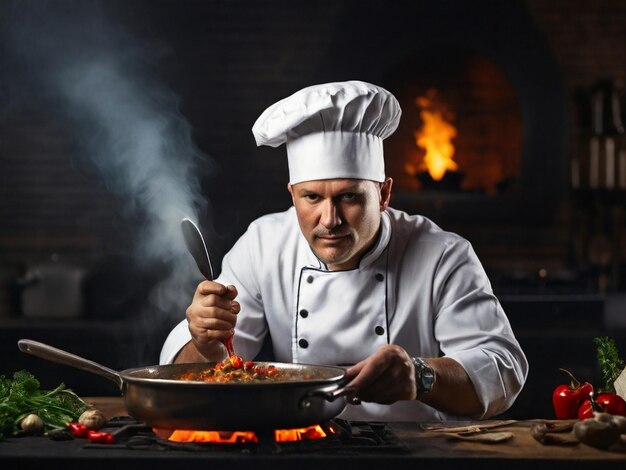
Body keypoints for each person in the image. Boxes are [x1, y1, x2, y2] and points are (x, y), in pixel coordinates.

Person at [160, 80, 528, 421]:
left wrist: (421, 375)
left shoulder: (443, 256)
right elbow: (195, 367)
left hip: (417, 453)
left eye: (349, 196)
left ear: (383, 194)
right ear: (292, 195)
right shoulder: (263, 244)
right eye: (312, 197)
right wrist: (205, 340)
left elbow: (501, 370)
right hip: (303, 446)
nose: (329, 219)